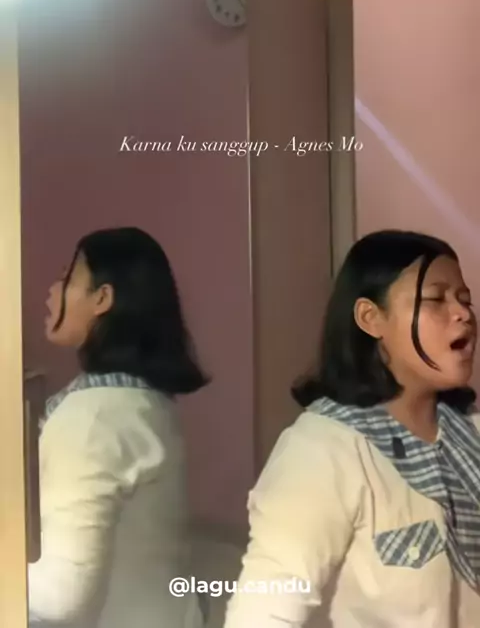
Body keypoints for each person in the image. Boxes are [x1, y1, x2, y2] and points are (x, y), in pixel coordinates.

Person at [224, 229, 480, 627]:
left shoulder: (471, 432)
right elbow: (263, 611)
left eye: (464, 298)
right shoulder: (323, 450)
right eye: (435, 299)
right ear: (370, 318)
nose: (463, 313)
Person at [28, 226, 208, 628]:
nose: (52, 291)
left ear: (102, 298)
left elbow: (60, 598)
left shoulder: (93, 419)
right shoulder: (141, 398)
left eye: (67, 278)